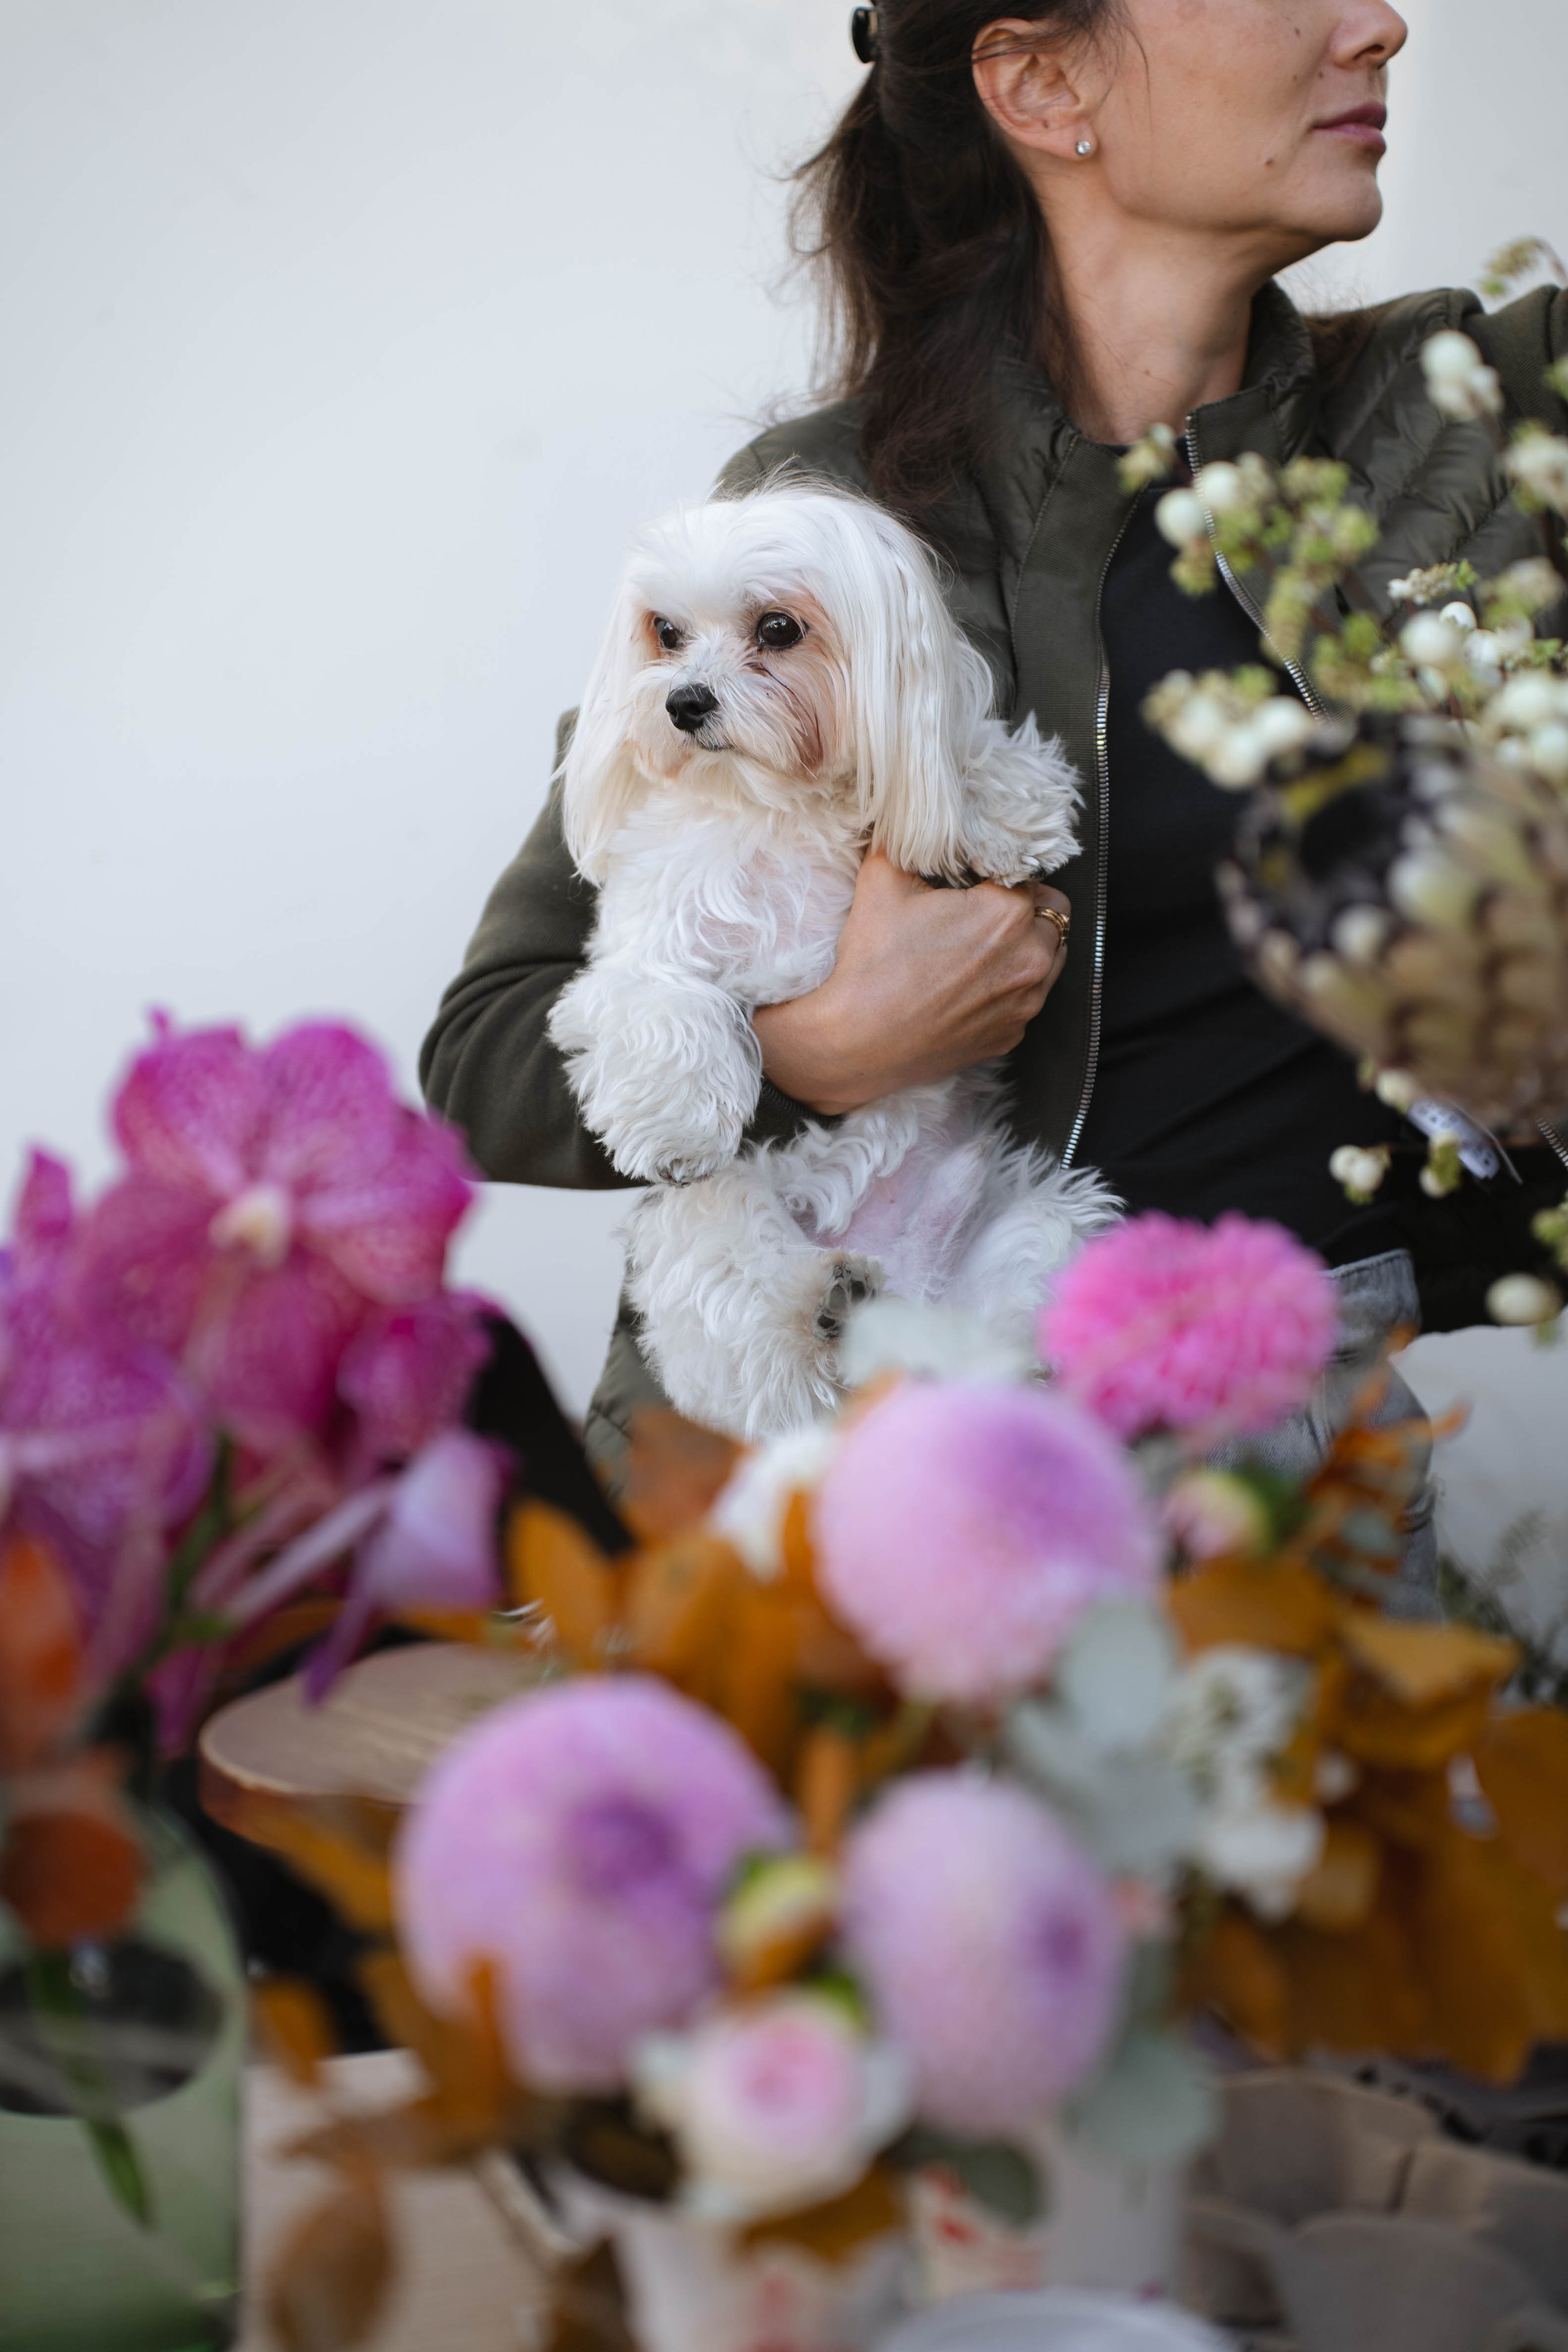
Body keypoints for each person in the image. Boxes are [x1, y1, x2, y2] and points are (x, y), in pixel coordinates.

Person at [421, 0, 1568, 1594]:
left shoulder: (1487, 410)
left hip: (1323, 1420)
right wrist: (822, 1051)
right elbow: (485, 1052)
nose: (1376, 25)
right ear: (1042, 82)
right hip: (880, 1443)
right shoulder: (826, 532)